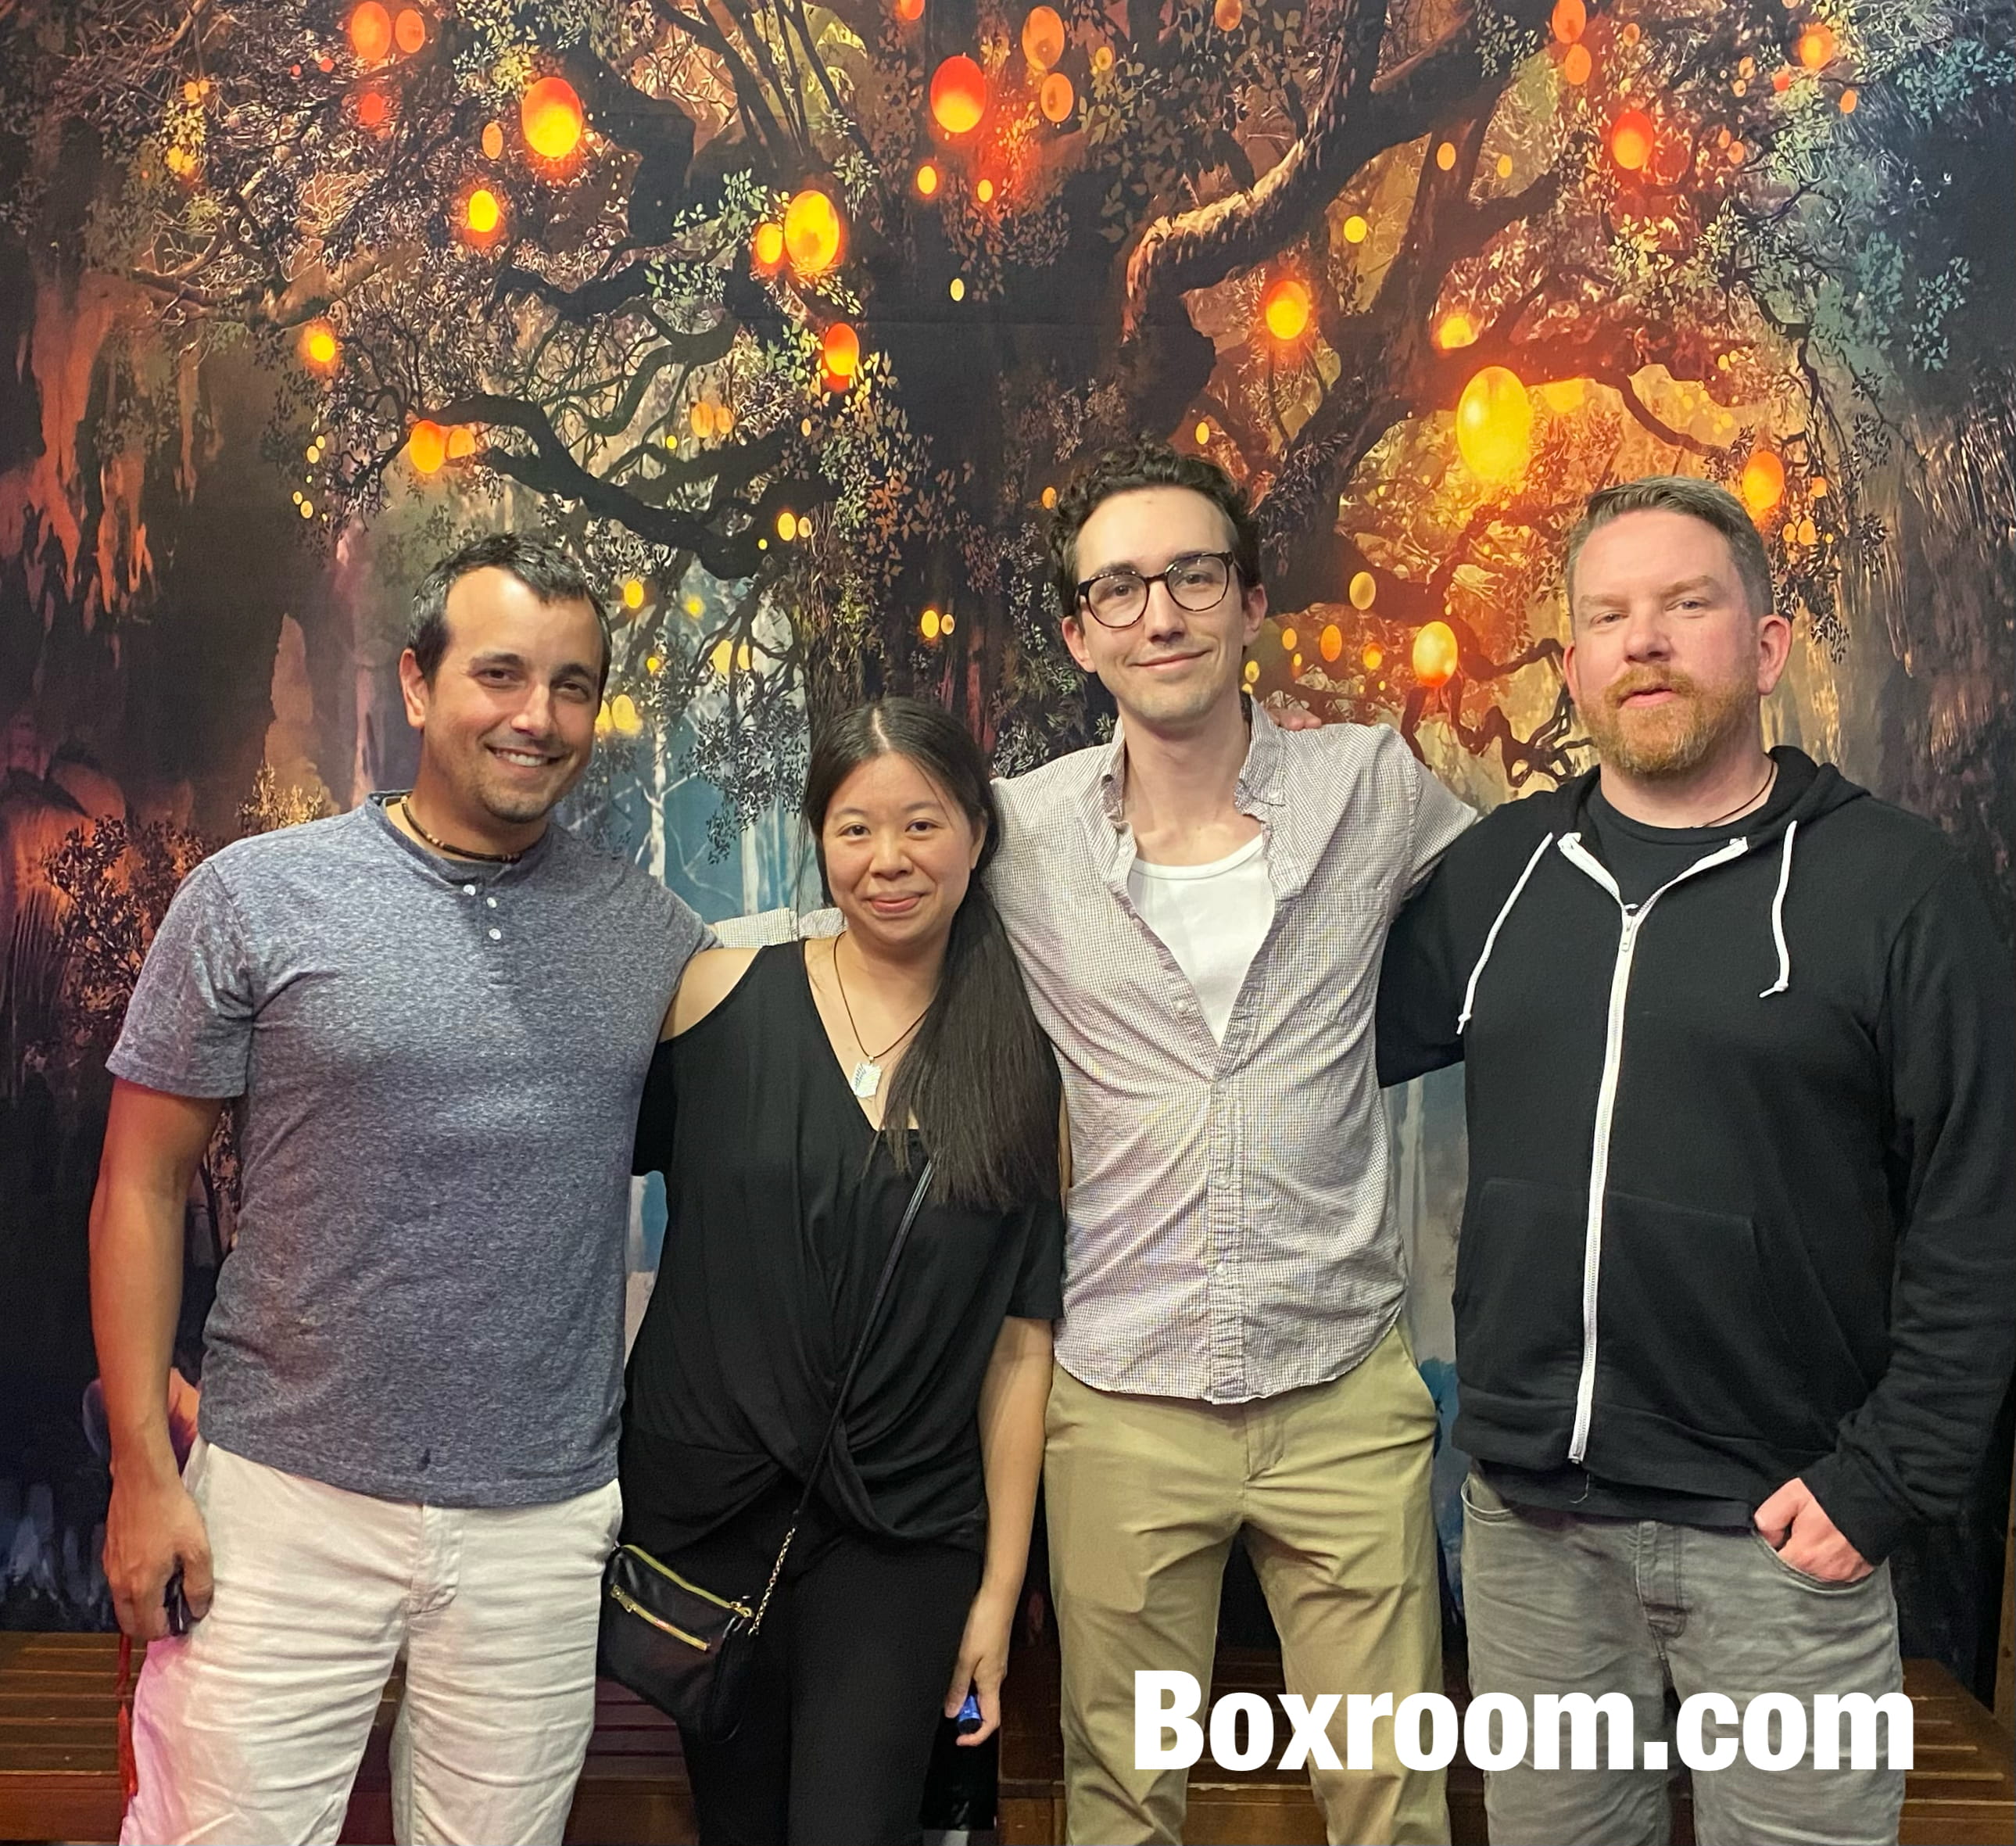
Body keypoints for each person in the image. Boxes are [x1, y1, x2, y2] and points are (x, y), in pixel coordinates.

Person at [1376, 475, 2016, 1846]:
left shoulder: (1897, 887)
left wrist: (1883, 1481)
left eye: (1685, 604)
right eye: (1609, 615)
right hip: (1535, 1542)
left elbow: (1984, 1210)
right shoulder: (1499, 876)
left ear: (1768, 644)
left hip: (1785, 1542)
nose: (1646, 641)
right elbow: (1286, 1058)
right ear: (1573, 666)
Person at [91, 536, 709, 1846]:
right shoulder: (254, 897)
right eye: (501, 673)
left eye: (573, 685)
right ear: (419, 684)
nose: (538, 715)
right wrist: (144, 1469)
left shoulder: (652, 935)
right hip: (282, 1498)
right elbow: (140, 1185)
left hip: (539, 1522)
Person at [1005, 441, 1472, 1844]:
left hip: (1343, 1389)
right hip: (1122, 1396)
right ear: (1081, 634)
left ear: (1252, 600)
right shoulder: (1021, 836)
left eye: (1194, 576)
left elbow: (1532, 920)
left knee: (1393, 1803)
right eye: (1122, 588)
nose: (1161, 614)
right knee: (1119, 1803)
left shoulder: (1371, 787)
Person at [620, 696, 1064, 1846]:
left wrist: (998, 1591)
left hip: (902, 1537)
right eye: (855, 828)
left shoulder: (1019, 1064)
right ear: (820, 839)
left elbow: (1020, 1347)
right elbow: (576, 1178)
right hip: (712, 1516)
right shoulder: (713, 999)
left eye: (922, 824)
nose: (888, 860)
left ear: (976, 833)